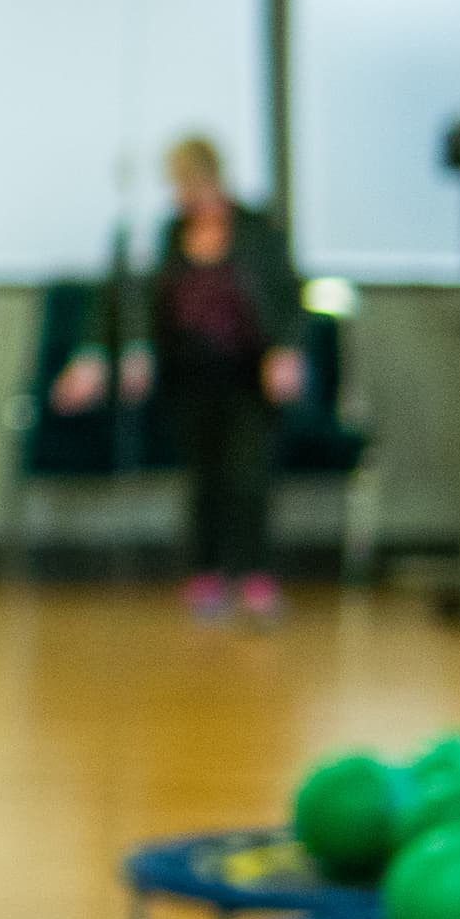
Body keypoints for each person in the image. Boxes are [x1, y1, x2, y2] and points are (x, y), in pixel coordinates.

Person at [54, 133, 305, 622]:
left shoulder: (258, 230)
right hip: (190, 377)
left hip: (247, 378)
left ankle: (255, 577)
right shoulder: (167, 236)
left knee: (247, 476)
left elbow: (286, 298)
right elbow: (131, 299)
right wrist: (111, 354)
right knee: (204, 479)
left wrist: (285, 352)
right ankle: (206, 574)